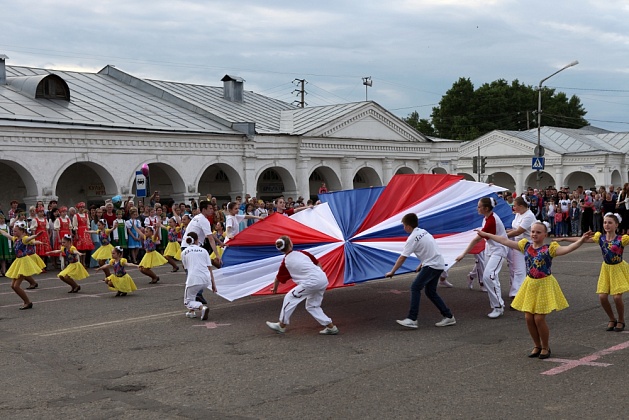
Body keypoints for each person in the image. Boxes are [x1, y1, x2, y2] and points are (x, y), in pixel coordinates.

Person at [477, 222, 592, 359]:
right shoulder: (525, 246)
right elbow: (504, 240)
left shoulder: (549, 249)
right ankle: (537, 345)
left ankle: (545, 346)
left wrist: (581, 240)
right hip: (530, 284)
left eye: (538, 232)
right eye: (533, 232)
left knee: (539, 318)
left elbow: (568, 248)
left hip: (544, 285)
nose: (534, 234)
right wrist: (486, 234)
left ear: (545, 235)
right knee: (528, 318)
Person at [385, 213, 455, 329]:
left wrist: (392, 272)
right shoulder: (424, 232)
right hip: (438, 264)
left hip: (431, 265)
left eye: (404, 225)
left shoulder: (412, 238)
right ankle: (448, 316)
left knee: (415, 287)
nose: (404, 227)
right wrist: (421, 263)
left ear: (408, 226)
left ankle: (412, 319)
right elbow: (430, 248)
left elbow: (402, 257)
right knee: (430, 292)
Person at [266, 235, 339, 335]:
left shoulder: (286, 262)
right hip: (322, 279)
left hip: (312, 282)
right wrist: (320, 276)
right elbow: (317, 263)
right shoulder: (302, 253)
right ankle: (331, 327)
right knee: (312, 306)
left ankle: (281, 325)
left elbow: (278, 278)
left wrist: (274, 288)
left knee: (290, 297)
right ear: (291, 244)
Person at [456, 197, 509, 318]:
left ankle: (498, 306)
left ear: (486, 208)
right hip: (490, 248)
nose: (477, 208)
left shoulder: (492, 221)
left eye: (479, 206)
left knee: (488, 276)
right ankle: (497, 305)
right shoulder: (487, 218)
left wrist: (463, 254)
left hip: (499, 249)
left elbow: (476, 239)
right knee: (491, 277)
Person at [589, 213, 629, 332]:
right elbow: (582, 240)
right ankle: (612, 318)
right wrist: (564, 239)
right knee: (602, 297)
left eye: (610, 223)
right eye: (605, 222)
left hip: (618, 269)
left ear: (616, 225)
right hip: (606, 269)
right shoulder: (601, 238)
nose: (606, 225)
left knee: (617, 297)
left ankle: (621, 319)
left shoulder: (621, 239)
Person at [0, 222, 42, 309]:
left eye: (15, 231)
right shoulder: (15, 239)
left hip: (24, 262)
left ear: (22, 231)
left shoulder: (24, 239)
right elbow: (6, 234)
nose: (13, 232)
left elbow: (29, 238)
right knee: (13, 286)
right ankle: (27, 302)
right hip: (18, 261)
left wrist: (35, 236)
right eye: (13, 231)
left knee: (16, 286)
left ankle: (27, 302)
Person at [506, 196, 537, 302]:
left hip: (529, 245)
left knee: (528, 270)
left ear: (521, 206)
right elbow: (514, 229)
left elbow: (519, 231)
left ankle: (522, 293)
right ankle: (516, 293)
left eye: (515, 206)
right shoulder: (518, 214)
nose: (513, 208)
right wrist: (505, 231)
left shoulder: (529, 216)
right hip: (518, 244)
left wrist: (503, 235)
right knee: (518, 269)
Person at [181, 232, 216, 320]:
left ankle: (201, 307)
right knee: (193, 294)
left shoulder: (184, 252)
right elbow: (209, 268)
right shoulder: (204, 251)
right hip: (206, 279)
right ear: (197, 240)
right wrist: (213, 284)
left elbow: (185, 268)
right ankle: (191, 312)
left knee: (188, 301)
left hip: (194, 279)